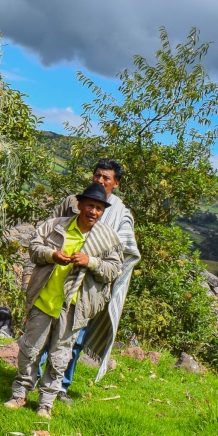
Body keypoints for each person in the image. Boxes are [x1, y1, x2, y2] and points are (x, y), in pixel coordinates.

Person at [4, 183, 123, 419]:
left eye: (99, 208)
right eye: (90, 205)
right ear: (79, 205)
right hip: (44, 299)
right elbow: (34, 248)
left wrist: (91, 261)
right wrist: (52, 255)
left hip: (75, 308)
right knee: (30, 350)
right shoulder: (55, 226)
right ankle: (20, 394)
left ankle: (45, 403)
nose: (93, 211)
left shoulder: (108, 238)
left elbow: (114, 269)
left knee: (60, 356)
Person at [44, 158, 140, 400]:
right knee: (46, 332)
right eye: (97, 175)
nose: (100, 180)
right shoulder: (73, 202)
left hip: (90, 288)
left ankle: (61, 387)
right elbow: (48, 228)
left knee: (75, 339)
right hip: (57, 279)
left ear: (116, 183)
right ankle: (36, 380)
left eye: (106, 178)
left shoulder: (120, 214)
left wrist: (95, 262)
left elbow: (126, 252)